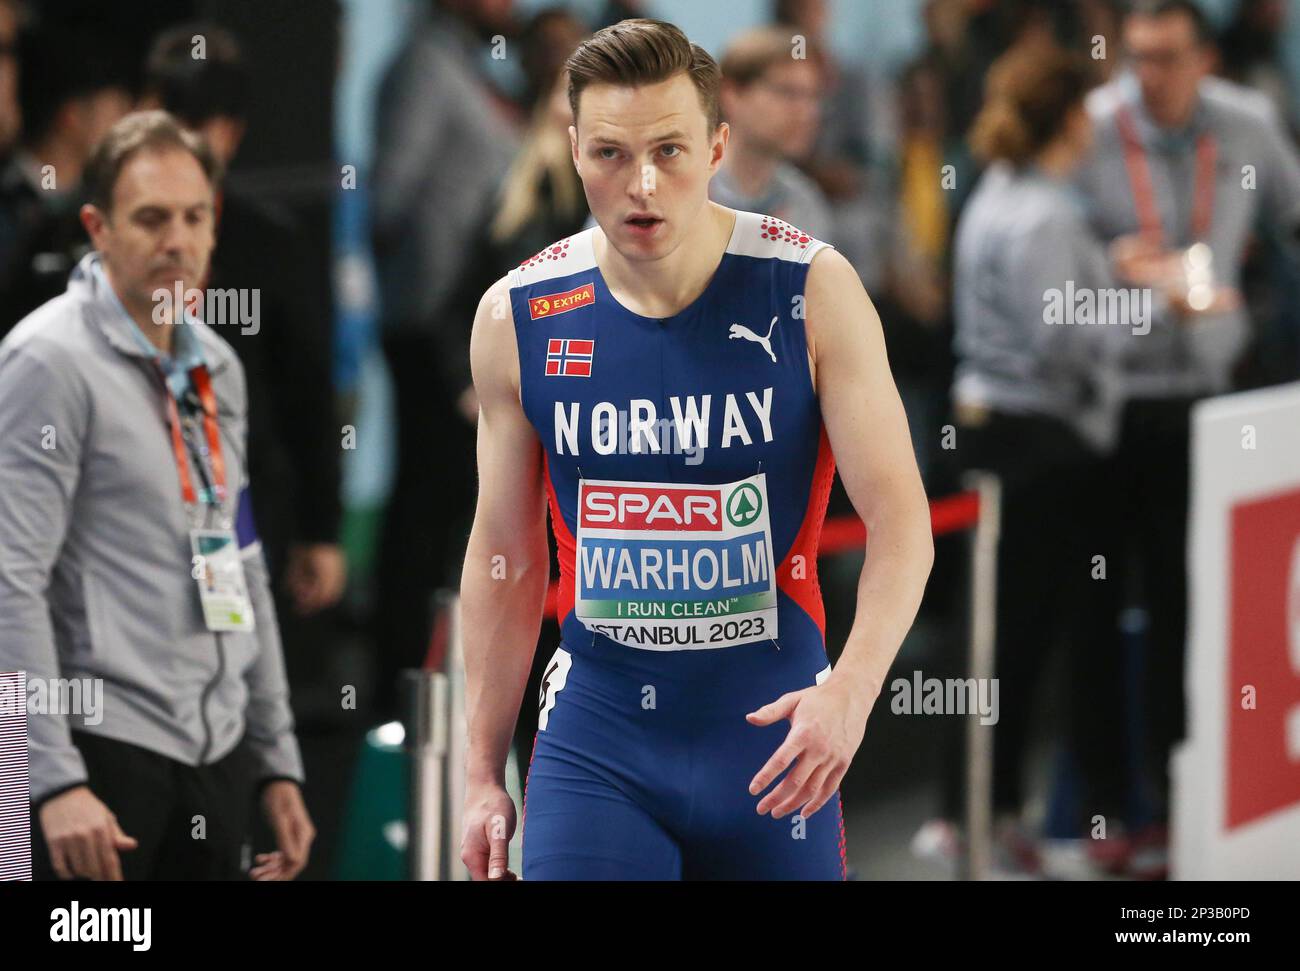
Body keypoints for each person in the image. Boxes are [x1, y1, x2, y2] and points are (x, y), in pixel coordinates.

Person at [458, 18, 933, 881]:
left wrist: (852, 693)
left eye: (669, 151)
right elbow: (504, 554)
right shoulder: (515, 317)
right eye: (609, 154)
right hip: (596, 744)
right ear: (571, 149)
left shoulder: (810, 288)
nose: (641, 185)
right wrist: (481, 772)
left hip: (771, 735)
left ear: (718, 146)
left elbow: (903, 522)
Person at [0, 111, 314, 880]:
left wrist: (275, 757)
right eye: (151, 218)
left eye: (195, 216)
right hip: (97, 761)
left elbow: (234, 558)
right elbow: (10, 581)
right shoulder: (48, 363)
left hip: (214, 754)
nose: (177, 239)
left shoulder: (217, 369)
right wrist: (51, 778)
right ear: (97, 228)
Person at [1074, 0, 1300, 875]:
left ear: (1203, 57)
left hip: (1209, 405)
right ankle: (1103, 809)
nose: (1151, 77)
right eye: (1137, 59)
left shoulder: (1246, 124)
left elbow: (1290, 220)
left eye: (1168, 58)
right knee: (1098, 611)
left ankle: (1176, 807)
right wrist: (1110, 270)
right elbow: (1053, 245)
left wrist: (1268, 315)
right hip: (1109, 401)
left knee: (1185, 606)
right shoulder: (1092, 126)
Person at [949, 44, 1128, 874]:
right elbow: (1061, 336)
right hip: (1040, 444)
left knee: (1000, 638)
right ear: (1068, 118)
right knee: (1027, 640)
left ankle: (977, 812)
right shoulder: (1046, 214)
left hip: (994, 431)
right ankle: (982, 816)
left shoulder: (994, 195)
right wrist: (1133, 317)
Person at [141, 23, 346, 623]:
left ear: (231, 131)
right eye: (168, 117)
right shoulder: (94, 241)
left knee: (229, 674)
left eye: (199, 122)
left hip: (236, 513)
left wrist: (321, 529)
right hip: (125, 507)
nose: (181, 144)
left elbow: (309, 392)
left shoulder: (270, 248)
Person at [369, 0, 519, 717]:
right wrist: (427, 291)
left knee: (450, 502)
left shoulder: (466, 61)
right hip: (431, 323)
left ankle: (436, 680)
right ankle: (403, 686)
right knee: (425, 508)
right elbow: (389, 199)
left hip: (463, 320)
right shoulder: (424, 66)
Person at [709, 26, 833, 242]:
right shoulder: (686, 188)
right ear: (731, 95)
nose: (807, 112)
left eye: (813, 96)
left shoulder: (804, 203)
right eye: (788, 92)